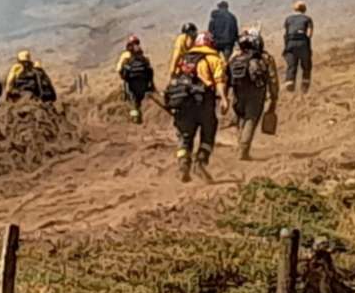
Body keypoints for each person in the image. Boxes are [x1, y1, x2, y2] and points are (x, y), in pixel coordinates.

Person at [163, 31, 228, 183]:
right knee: (208, 132)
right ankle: (200, 162)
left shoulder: (185, 58)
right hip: (204, 102)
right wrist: (224, 99)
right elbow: (219, 81)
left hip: (184, 103)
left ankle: (183, 164)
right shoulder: (214, 59)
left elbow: (175, 78)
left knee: (185, 136)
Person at [228, 29, 279, 160]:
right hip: (256, 92)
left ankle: (240, 143)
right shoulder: (266, 58)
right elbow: (273, 79)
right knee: (251, 118)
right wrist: (274, 97)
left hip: (237, 92)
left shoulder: (235, 57)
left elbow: (225, 75)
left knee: (241, 117)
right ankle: (243, 150)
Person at [116, 34, 155, 124]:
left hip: (131, 84)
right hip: (144, 84)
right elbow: (150, 71)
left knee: (133, 100)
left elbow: (119, 70)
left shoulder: (126, 57)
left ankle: (135, 116)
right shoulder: (144, 58)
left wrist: (124, 77)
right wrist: (151, 84)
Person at [283, 0, 314, 93]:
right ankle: (305, 84)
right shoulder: (307, 19)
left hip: (290, 42)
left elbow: (285, 34)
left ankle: (290, 82)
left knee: (291, 64)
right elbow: (309, 34)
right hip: (302, 42)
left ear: (294, 9)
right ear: (305, 9)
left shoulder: (288, 19)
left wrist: (286, 46)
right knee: (306, 64)